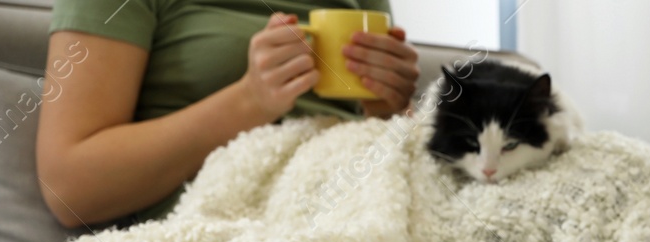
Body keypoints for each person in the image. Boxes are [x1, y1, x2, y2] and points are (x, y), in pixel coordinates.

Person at [35, 0, 421, 228]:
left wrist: (390, 110)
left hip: (350, 211)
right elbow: (70, 185)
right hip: (222, 231)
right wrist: (249, 101)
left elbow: (397, 166)